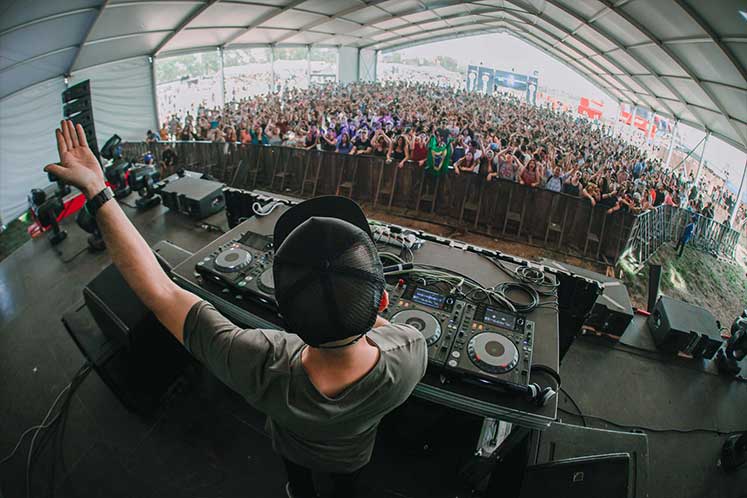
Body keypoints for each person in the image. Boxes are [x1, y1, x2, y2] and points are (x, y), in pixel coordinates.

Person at [45, 120, 427, 498]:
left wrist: (97, 190)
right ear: (382, 300)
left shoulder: (256, 361)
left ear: (283, 315)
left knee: (299, 482)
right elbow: (386, 328)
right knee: (346, 485)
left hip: (291, 446)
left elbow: (160, 292)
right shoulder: (409, 352)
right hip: (353, 456)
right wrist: (355, 301)